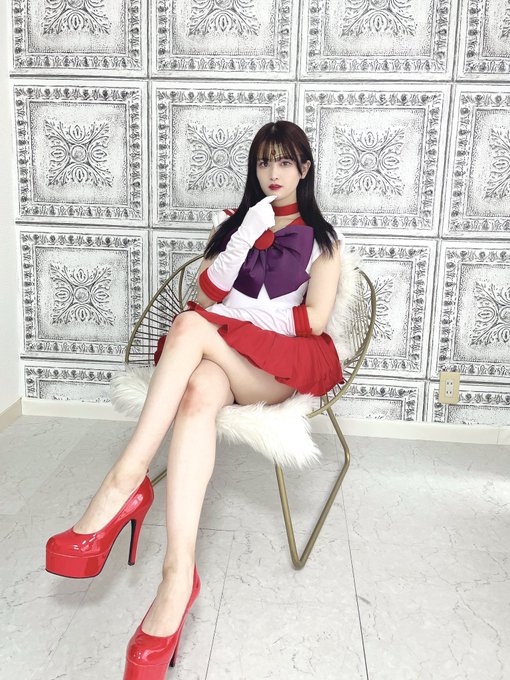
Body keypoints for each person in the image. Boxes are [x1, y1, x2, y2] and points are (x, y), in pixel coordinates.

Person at [45, 120, 345, 679]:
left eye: (284, 161)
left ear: (304, 169)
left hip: (273, 369)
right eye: (263, 162)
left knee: (190, 327)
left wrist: (242, 320)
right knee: (199, 391)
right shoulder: (232, 222)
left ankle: (124, 482)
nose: (273, 172)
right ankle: (176, 579)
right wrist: (244, 233)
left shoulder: (322, 238)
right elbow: (207, 291)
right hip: (224, 354)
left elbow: (315, 321)